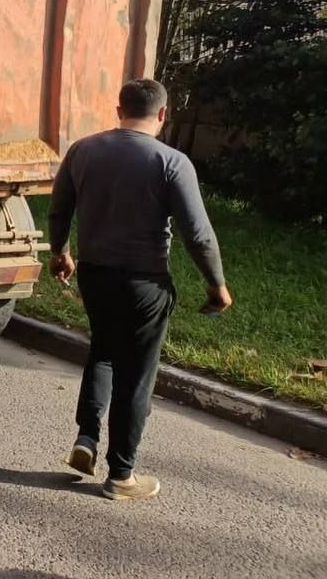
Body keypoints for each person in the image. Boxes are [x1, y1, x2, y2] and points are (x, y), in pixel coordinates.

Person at [48, 78, 232, 501]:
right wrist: (216, 284)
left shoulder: (83, 150)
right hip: (144, 283)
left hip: (94, 274)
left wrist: (61, 253)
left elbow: (59, 210)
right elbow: (198, 235)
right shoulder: (172, 162)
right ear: (164, 115)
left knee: (104, 352)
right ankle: (122, 476)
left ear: (119, 110)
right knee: (137, 375)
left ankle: (87, 438)